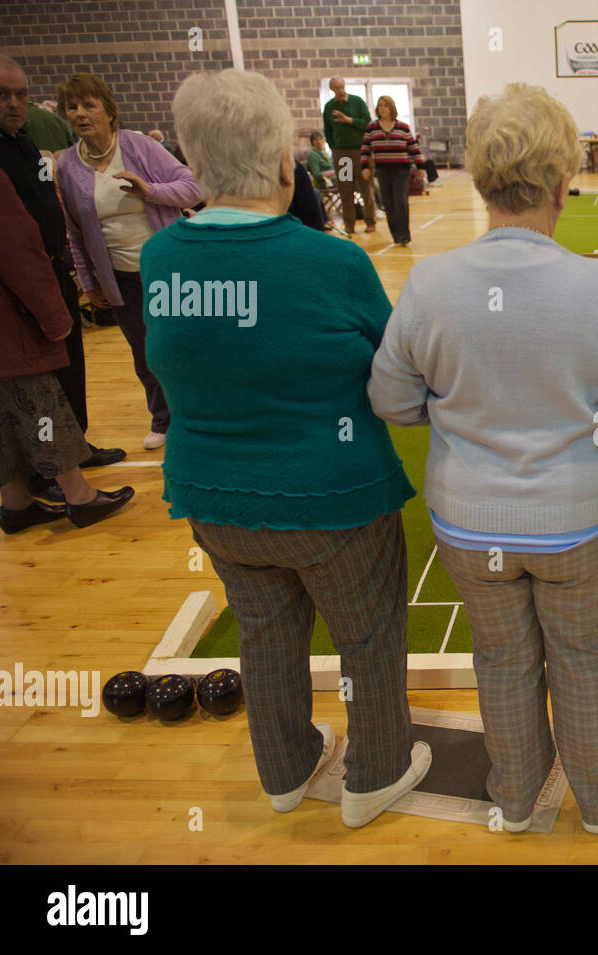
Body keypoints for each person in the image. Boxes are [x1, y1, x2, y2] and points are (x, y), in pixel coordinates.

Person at [144, 68, 428, 827]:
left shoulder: (163, 258)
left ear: (194, 162)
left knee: (265, 638)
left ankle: (284, 769)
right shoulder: (333, 263)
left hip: (215, 500)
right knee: (368, 639)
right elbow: (392, 366)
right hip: (335, 497)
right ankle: (377, 770)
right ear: (282, 162)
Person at [369, 82, 598, 835]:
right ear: (564, 183)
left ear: (482, 178)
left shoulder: (429, 283)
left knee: (501, 661)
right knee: (585, 659)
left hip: (471, 523)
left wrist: (466, 407)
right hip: (579, 520)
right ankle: (596, 794)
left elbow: (391, 400)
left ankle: (517, 795)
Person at [0, 56, 125, 497]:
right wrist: (49, 306)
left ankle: (76, 448)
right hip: (19, 289)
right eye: (2, 95)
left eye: (21, 94)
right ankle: (52, 476)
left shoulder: (23, 141)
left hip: (53, 269)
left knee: (69, 368)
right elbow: (11, 242)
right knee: (36, 387)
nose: (14, 104)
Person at [55, 72, 200, 452]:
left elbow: (193, 186)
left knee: (182, 346)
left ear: (108, 109)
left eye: (89, 104)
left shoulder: (138, 145)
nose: (81, 113)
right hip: (121, 278)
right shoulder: (67, 165)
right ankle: (163, 419)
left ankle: (201, 414)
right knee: (145, 353)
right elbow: (75, 232)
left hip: (170, 270)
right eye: (73, 107)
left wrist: (149, 190)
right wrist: (89, 282)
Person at [0, 166, 135, 534]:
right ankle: (79, 496)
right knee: (40, 406)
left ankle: (14, 503)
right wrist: (54, 314)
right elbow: (17, 248)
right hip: (9, 320)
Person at [360, 95, 424, 246]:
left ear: (391, 108)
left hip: (401, 169)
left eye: (385, 105)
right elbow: (365, 148)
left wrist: (420, 166)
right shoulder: (372, 127)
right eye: (380, 105)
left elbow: (414, 148)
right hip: (382, 169)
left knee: (400, 201)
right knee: (388, 203)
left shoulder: (402, 126)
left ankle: (404, 235)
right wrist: (364, 167)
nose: (382, 108)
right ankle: (396, 235)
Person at [323, 77, 376, 235]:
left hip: (360, 152)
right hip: (343, 155)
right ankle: (349, 224)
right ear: (332, 89)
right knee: (346, 189)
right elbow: (328, 131)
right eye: (336, 88)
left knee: (366, 188)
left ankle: (370, 221)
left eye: (341, 87)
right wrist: (334, 149)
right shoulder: (329, 107)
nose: (340, 90)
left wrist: (349, 120)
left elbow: (367, 123)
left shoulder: (357, 102)